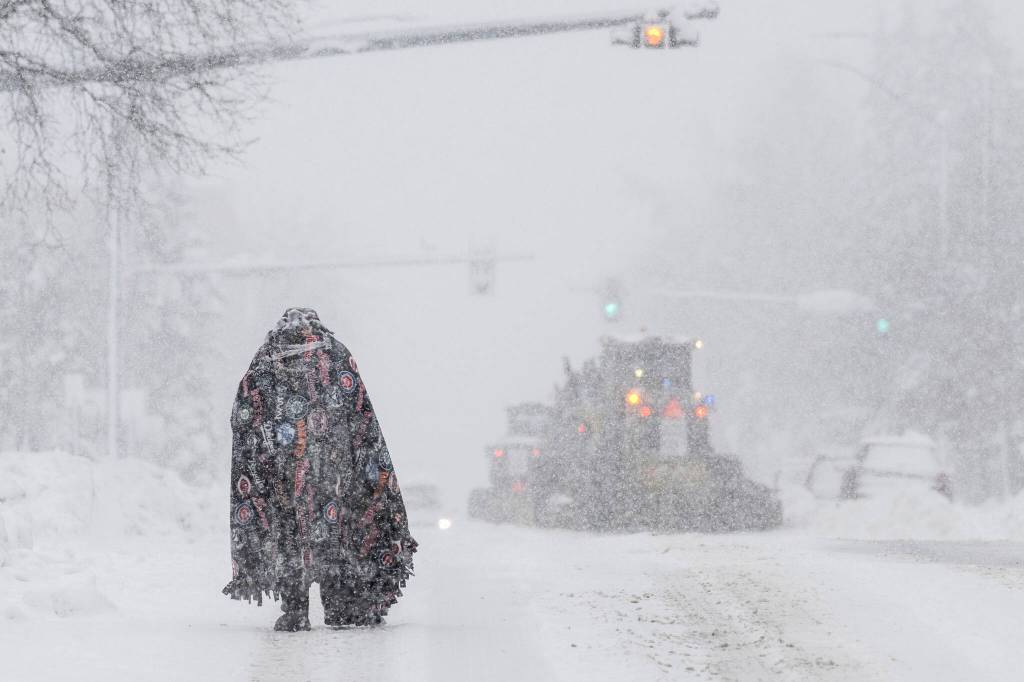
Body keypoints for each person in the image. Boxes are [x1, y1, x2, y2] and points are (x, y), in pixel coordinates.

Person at [222, 308, 417, 631]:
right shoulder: (336, 355)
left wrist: (263, 452)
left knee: (289, 538)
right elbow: (361, 412)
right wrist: (363, 461)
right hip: (332, 471)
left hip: (281, 473)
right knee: (333, 535)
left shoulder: (265, 359)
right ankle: (340, 606)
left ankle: (294, 610)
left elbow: (242, 413)